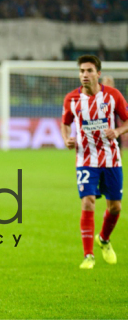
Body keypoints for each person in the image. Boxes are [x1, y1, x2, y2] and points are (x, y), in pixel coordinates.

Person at [60, 55, 128, 269]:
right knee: (88, 201)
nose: (84, 75)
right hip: (85, 159)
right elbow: (65, 123)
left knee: (115, 207)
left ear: (98, 74)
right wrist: (66, 139)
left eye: (89, 71)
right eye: (81, 71)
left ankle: (104, 239)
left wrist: (117, 130)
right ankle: (88, 255)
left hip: (111, 158)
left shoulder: (113, 95)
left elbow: (127, 120)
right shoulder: (71, 99)